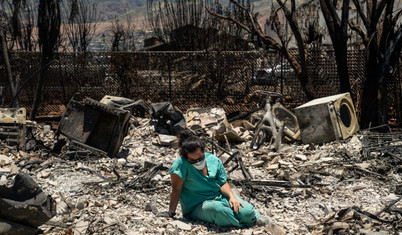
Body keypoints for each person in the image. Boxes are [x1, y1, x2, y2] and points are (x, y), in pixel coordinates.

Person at [167, 130, 272, 227]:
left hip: (219, 196)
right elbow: (176, 189)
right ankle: (244, 226)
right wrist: (171, 212)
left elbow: (222, 183)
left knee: (246, 211)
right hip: (197, 205)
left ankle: (251, 218)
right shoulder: (180, 165)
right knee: (220, 211)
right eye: (193, 161)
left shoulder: (213, 160)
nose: (198, 162)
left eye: (201, 158)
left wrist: (232, 197)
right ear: (186, 158)